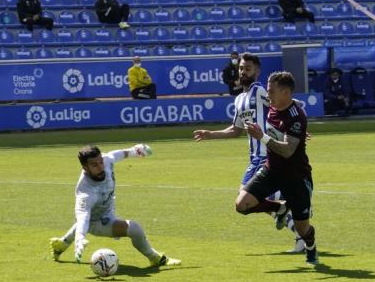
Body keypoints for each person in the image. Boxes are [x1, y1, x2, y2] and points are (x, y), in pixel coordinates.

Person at [193, 54, 306, 253]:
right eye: (241, 69)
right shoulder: (239, 99)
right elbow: (235, 130)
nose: (243, 72)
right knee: (246, 201)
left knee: (252, 199)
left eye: (247, 69)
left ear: (257, 72)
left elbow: (289, 102)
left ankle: (299, 232)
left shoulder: (260, 91)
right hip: (253, 158)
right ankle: (282, 212)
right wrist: (210, 134)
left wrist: (295, 128)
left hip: (268, 155)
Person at [49, 144, 181, 267]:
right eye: (94, 165)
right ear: (85, 168)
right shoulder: (85, 192)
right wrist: (80, 239)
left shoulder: (107, 160)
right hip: (96, 222)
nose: (101, 166)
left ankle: (62, 244)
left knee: (99, 210)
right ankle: (156, 258)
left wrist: (136, 150)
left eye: (100, 161)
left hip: (106, 208)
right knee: (134, 228)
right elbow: (83, 217)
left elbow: (121, 154)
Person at [235, 71, 317, 264]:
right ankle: (279, 209)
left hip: (296, 177)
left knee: (303, 228)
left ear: (286, 92)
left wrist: (261, 136)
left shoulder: (296, 116)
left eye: (271, 91)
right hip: (271, 170)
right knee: (241, 204)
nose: (268, 94)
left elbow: (288, 151)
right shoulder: (274, 106)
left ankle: (311, 247)